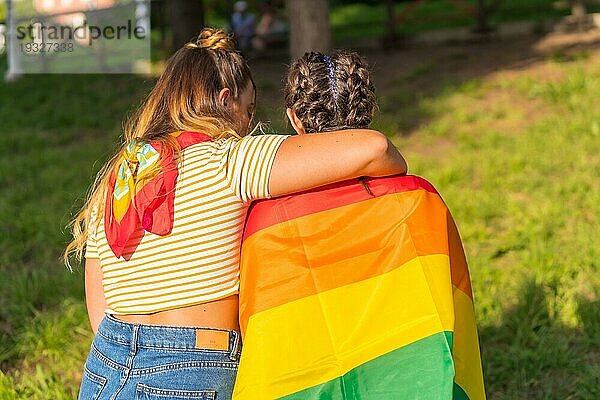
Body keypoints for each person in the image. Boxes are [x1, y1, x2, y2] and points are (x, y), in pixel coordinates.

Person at [64, 30, 407, 400]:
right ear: (226, 100)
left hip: (107, 362)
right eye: (249, 109)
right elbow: (374, 148)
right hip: (190, 364)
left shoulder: (123, 175)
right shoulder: (230, 159)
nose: (248, 122)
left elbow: (99, 305)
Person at [233, 51, 485, 399]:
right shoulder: (418, 200)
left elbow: (263, 330)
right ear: (368, 111)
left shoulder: (263, 219)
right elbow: (450, 307)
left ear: (294, 118)